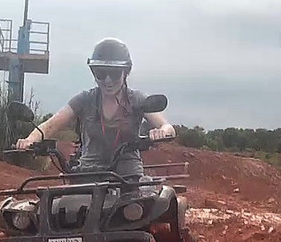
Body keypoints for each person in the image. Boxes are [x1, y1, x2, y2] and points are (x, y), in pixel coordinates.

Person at [15, 38, 175, 179]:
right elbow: (51, 125)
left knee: (143, 208)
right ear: (93, 72)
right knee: (59, 209)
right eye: (101, 73)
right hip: (87, 172)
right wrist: (30, 140)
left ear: (126, 72)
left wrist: (161, 131)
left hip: (127, 174)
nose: (107, 80)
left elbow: (167, 127)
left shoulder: (137, 100)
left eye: (114, 73)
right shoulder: (85, 99)